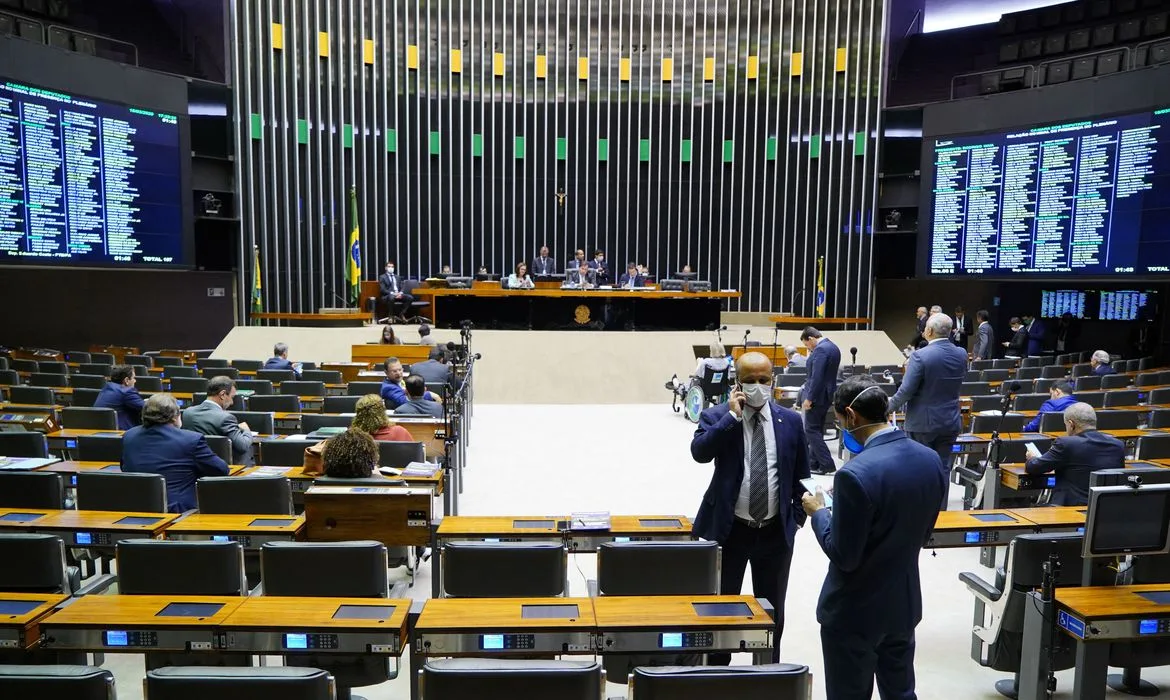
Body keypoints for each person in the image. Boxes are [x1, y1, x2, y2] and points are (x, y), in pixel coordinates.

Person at [802, 376, 946, 700]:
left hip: (855, 612)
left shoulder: (853, 474)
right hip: (902, 604)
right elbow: (923, 533)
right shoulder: (930, 460)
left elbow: (845, 555)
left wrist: (821, 513)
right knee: (901, 693)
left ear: (851, 416)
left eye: (840, 421)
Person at [689, 351, 809, 664]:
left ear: (773, 380)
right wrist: (731, 418)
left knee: (772, 614)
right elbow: (699, 453)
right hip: (730, 532)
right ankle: (717, 671)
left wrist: (794, 519)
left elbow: (799, 477)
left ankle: (767, 673)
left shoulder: (791, 422)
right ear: (737, 384)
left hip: (774, 534)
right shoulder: (718, 417)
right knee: (721, 610)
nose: (758, 386)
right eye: (750, 381)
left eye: (763, 380)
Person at [887, 313, 967, 508]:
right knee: (943, 468)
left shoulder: (920, 356)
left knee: (918, 469)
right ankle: (940, 513)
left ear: (929, 331)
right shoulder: (961, 354)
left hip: (923, 423)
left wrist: (886, 408)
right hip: (950, 421)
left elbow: (906, 391)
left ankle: (920, 513)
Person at [121, 393, 229, 512]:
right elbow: (221, 470)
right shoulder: (191, 439)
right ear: (175, 416)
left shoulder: (129, 436)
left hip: (134, 508)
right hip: (178, 513)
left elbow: (124, 467)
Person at [1025, 402, 1125, 506]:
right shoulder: (1118, 445)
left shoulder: (1066, 443)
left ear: (1071, 424)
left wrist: (1031, 458)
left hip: (1067, 509)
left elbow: (1034, 467)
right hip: (1103, 508)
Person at [181, 376, 253, 467]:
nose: (232, 402)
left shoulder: (188, 412)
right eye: (232, 397)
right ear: (222, 394)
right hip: (223, 467)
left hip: (194, 466)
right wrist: (246, 430)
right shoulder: (226, 418)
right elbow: (243, 446)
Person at [801, 326, 841, 476]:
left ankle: (826, 464)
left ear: (811, 338)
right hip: (826, 395)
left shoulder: (821, 350)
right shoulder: (833, 347)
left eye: (806, 344)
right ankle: (814, 463)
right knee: (817, 430)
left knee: (811, 430)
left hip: (817, 396)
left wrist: (809, 398)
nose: (808, 347)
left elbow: (817, 377)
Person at [94, 365, 145, 430]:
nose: (135, 381)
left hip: (100, 430)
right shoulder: (126, 391)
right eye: (133, 378)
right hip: (122, 432)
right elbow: (147, 408)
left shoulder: (106, 388)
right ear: (126, 380)